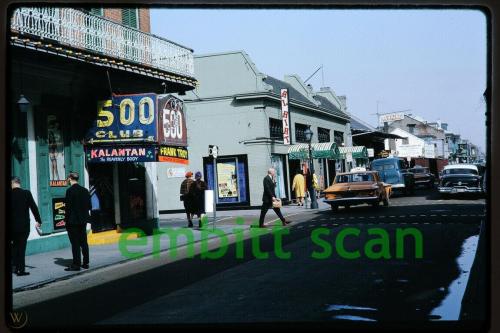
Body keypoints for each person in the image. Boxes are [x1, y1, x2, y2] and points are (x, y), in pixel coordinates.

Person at [11, 176, 42, 276]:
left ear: (12, 183)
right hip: (24, 226)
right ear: (19, 183)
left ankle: (14, 267)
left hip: (12, 226)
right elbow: (34, 208)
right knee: (22, 247)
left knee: (14, 247)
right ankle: (21, 270)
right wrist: (38, 220)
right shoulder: (26, 193)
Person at [64, 171, 91, 271]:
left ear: (70, 178)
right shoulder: (85, 190)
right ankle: (86, 263)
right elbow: (89, 206)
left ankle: (76, 264)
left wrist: (66, 221)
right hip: (83, 220)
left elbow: (68, 208)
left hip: (73, 221)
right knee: (84, 242)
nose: (67, 180)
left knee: (75, 243)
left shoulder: (70, 191)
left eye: (67, 178)